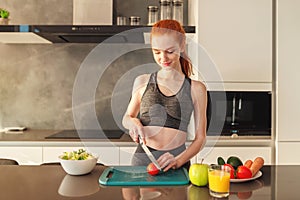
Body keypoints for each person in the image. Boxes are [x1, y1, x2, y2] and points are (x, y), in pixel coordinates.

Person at [122, 19, 207, 172]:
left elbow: (201, 138)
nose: (163, 58)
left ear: (181, 45)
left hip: (177, 161)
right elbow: (127, 117)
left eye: (169, 51)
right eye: (157, 52)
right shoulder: (142, 81)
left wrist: (178, 161)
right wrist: (133, 123)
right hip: (142, 159)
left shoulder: (196, 88)